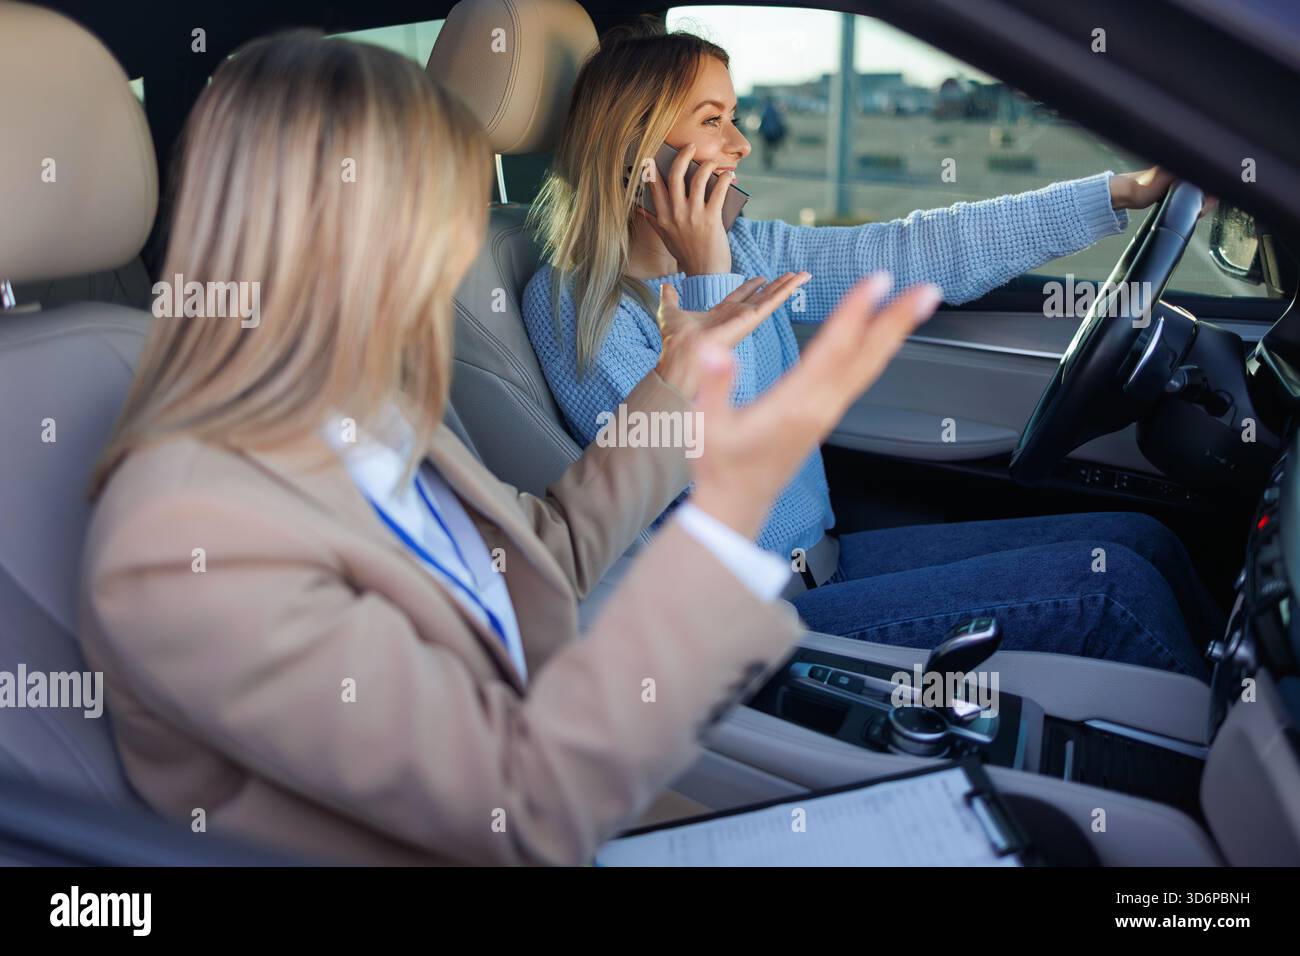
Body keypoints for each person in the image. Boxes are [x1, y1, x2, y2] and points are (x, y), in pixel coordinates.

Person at [76, 32, 939, 866]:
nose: (458, 246)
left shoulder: (354, 410)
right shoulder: (189, 533)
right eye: (437, 209)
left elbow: (546, 550)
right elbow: (521, 808)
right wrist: (729, 517)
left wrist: (680, 381)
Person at [522, 23, 1220, 678]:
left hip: (827, 566)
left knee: (1140, 539)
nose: (741, 144)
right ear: (641, 150)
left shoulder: (749, 251)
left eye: (734, 116)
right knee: (1115, 589)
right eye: (712, 120)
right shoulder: (576, 309)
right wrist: (709, 277)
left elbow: (917, 252)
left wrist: (1122, 194)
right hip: (756, 624)